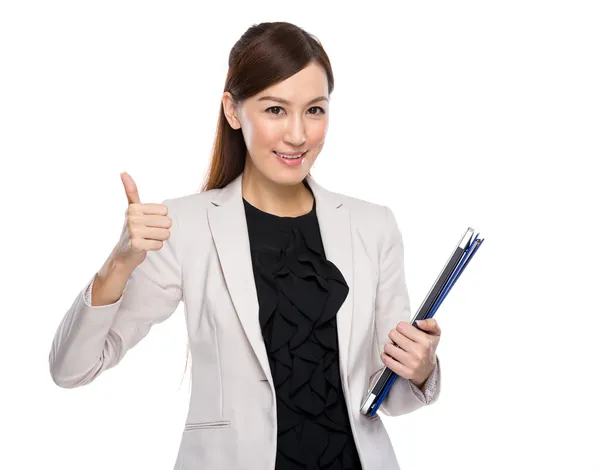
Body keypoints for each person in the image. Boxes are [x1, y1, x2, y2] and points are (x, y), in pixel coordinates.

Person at [49, 21, 442, 470]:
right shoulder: (186, 226)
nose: (298, 134)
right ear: (233, 112)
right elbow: (71, 369)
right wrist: (118, 264)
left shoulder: (373, 226)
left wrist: (420, 368)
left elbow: (388, 397)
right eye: (275, 110)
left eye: (315, 110)